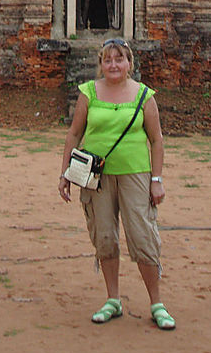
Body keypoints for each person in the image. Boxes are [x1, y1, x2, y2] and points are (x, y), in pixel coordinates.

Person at [58, 37, 176, 329]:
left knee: (142, 236)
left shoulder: (143, 95)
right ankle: (113, 299)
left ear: (129, 64)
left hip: (135, 173)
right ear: (101, 64)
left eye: (119, 59)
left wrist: (157, 180)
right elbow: (73, 134)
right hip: (95, 176)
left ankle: (157, 303)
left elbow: (157, 139)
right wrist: (65, 173)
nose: (114, 65)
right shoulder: (88, 93)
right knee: (105, 236)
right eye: (108, 60)